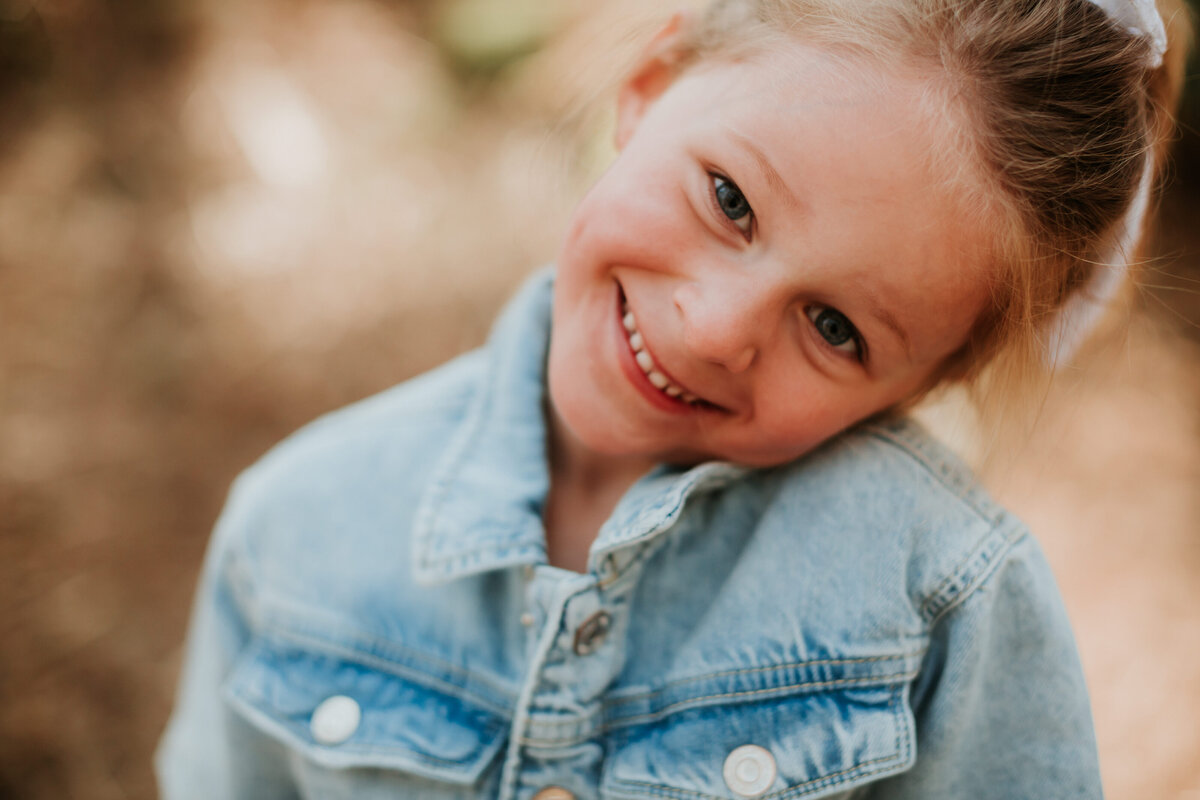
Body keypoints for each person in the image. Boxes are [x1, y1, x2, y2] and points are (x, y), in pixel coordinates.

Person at [156, 0, 1191, 798]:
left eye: (835, 328)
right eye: (729, 198)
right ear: (648, 87)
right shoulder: (297, 526)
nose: (713, 329)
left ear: (927, 378)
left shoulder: (944, 607)